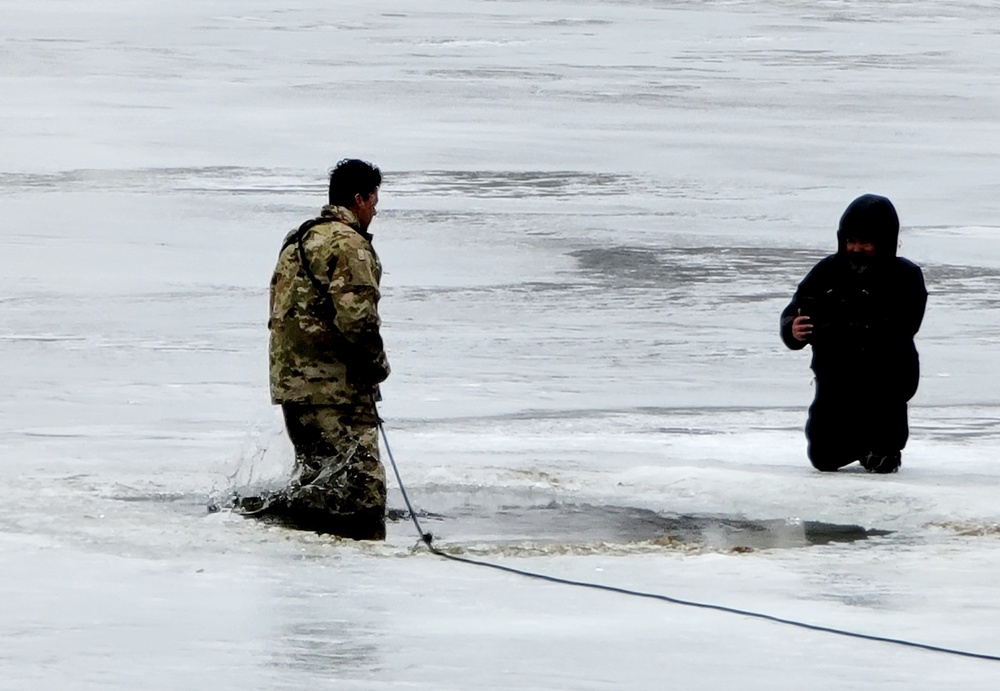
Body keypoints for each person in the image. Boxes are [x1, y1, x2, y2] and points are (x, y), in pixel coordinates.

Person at [249, 158, 390, 539]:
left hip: (292, 385)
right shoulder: (349, 245)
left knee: (318, 487)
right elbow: (358, 321)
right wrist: (377, 370)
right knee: (364, 495)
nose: (376, 209)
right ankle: (353, 579)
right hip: (335, 390)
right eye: (374, 200)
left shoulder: (297, 240)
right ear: (358, 199)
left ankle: (309, 568)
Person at [780, 194, 927, 473]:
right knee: (824, 458)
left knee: (882, 455)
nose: (856, 248)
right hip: (836, 377)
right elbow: (797, 308)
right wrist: (792, 329)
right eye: (851, 241)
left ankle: (882, 449)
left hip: (885, 376)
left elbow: (901, 326)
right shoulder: (827, 271)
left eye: (865, 242)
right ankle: (860, 447)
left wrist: (836, 329)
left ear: (884, 241)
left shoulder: (905, 276)